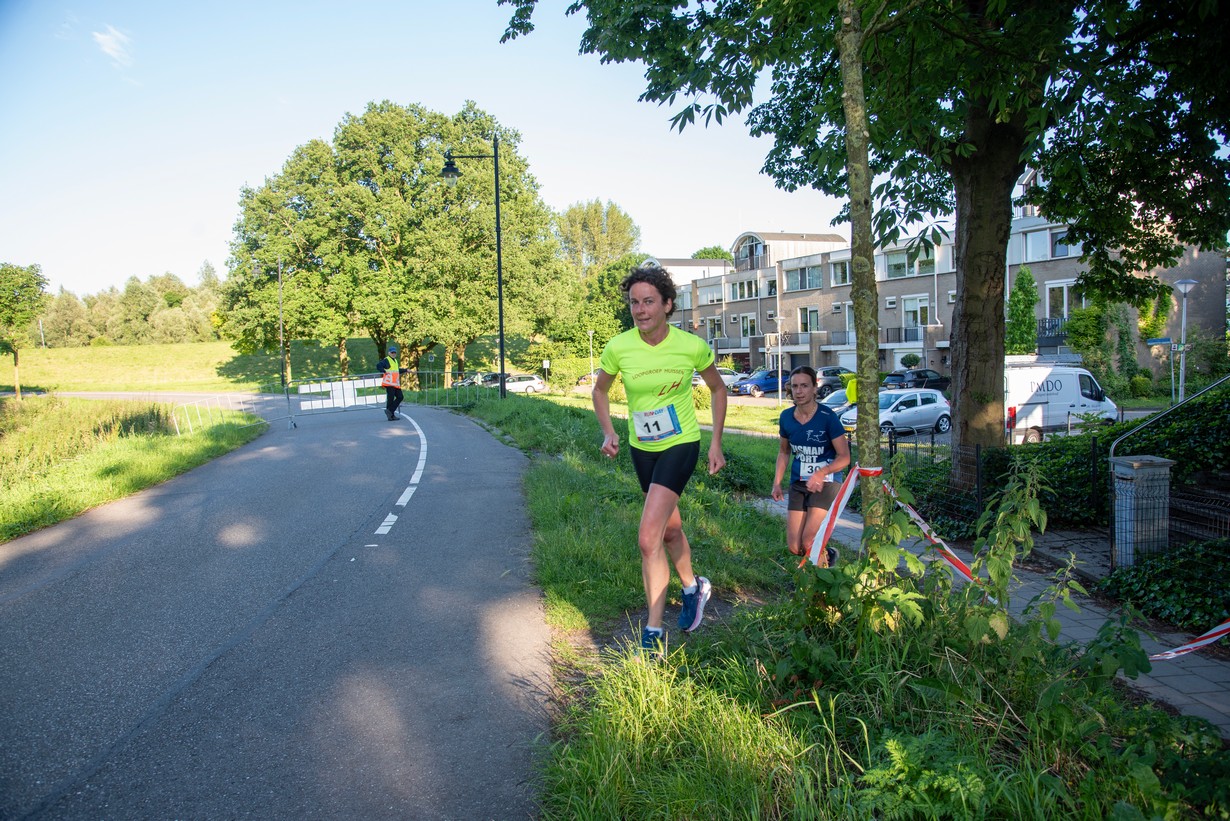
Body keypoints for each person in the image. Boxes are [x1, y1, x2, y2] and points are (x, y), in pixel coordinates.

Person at [592, 265, 728, 656]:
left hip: (681, 442)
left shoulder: (691, 346)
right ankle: (693, 587)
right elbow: (600, 391)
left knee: (648, 537)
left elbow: (719, 390)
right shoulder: (619, 347)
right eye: (634, 302)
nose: (640, 309)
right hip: (642, 447)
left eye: (649, 301)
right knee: (669, 530)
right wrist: (608, 431)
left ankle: (653, 633)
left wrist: (715, 443)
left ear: (668, 304)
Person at [772, 365, 852, 567]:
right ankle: (828, 553)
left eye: (804, 386)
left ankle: (821, 585)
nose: (799, 391)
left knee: (809, 540)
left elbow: (844, 457)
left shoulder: (828, 417)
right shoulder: (786, 417)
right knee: (794, 547)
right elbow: (784, 451)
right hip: (799, 482)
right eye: (795, 386)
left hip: (826, 482)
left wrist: (821, 472)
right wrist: (777, 483)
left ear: (815, 388)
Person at [378, 344, 408, 421]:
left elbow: (397, 370)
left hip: (395, 383)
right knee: (390, 399)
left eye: (394, 352)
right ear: (389, 353)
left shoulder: (395, 361)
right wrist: (384, 371)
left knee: (400, 397)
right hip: (389, 383)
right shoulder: (387, 360)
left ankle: (390, 412)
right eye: (392, 352)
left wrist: (406, 370)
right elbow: (378, 365)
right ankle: (391, 415)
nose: (393, 354)